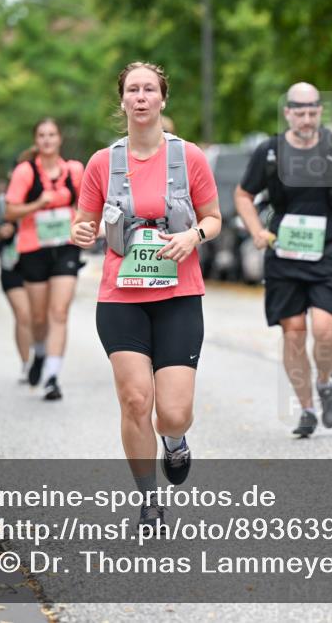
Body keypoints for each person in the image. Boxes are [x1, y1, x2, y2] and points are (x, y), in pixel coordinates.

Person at [71, 61, 220, 528]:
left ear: (162, 98)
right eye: (132, 90)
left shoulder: (189, 157)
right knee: (136, 401)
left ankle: (174, 442)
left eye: (149, 89)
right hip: (121, 298)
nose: (140, 97)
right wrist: (81, 232)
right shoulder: (102, 162)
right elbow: (85, 221)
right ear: (122, 101)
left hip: (178, 296)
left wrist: (194, 235)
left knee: (172, 413)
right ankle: (149, 499)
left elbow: (214, 218)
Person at [234, 82, 332, 438]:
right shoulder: (270, 152)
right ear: (288, 113)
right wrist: (256, 230)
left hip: (328, 248)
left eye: (312, 112)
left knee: (326, 329)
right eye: (300, 113)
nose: (307, 119)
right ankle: (308, 409)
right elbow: (243, 195)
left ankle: (324, 381)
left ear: (320, 112)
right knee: (293, 332)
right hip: (284, 253)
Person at [5, 118, 85, 400]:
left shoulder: (74, 170)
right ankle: (39, 353)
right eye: (42, 135)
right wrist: (39, 203)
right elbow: (10, 212)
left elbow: (86, 205)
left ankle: (52, 376)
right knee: (38, 317)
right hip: (33, 248)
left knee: (59, 312)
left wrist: (83, 222)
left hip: (66, 246)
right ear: (36, 140)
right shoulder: (25, 172)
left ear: (60, 138)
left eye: (52, 134)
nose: (47, 139)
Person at [0, 177, 32, 383]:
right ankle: (26, 364)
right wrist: (0, 231)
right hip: (11, 264)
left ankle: (42, 357)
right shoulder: (2, 202)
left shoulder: (45, 197)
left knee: (38, 318)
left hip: (39, 264)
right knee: (23, 315)